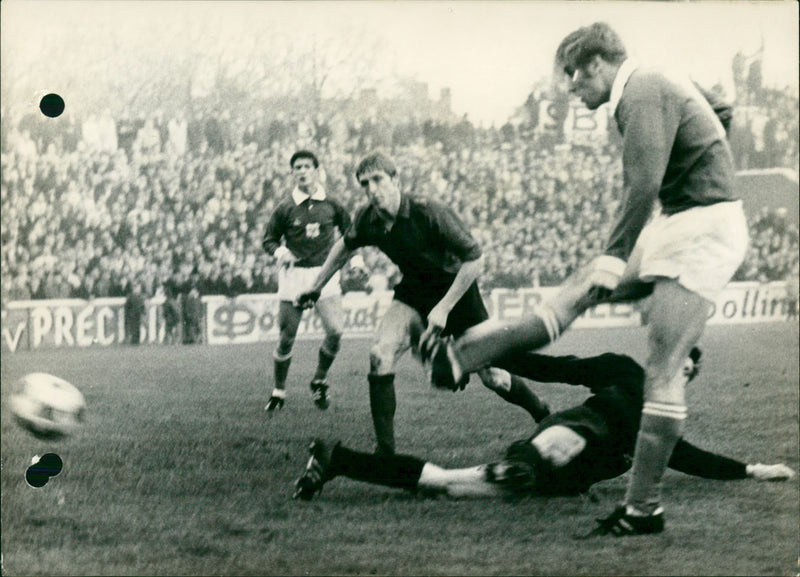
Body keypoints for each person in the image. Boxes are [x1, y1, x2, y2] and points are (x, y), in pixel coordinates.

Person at [425, 23, 750, 535]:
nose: (572, 87)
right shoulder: (655, 82)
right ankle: (466, 354)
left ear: (597, 63)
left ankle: (644, 509)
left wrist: (615, 255)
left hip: (705, 227)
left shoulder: (640, 91)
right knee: (576, 291)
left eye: (574, 75)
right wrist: (704, 149)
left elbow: (641, 184)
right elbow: (721, 113)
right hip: (679, 219)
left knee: (662, 366)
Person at [292, 349, 795, 535]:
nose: (679, 373)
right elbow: (559, 368)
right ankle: (527, 463)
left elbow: (700, 463)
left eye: (688, 373)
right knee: (574, 434)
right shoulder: (624, 372)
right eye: (678, 361)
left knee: (442, 485)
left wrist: (753, 470)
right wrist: (490, 352)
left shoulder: (665, 428)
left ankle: (335, 459)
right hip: (556, 442)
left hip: (555, 483)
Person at [296, 151, 550, 455]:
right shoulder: (368, 218)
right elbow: (344, 246)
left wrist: (444, 307)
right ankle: (385, 454)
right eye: (365, 184)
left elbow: (475, 260)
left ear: (396, 180)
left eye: (378, 180)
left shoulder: (427, 211)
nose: (372, 189)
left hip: (458, 293)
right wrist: (316, 286)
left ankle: (542, 414)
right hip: (414, 292)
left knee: (493, 377)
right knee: (380, 353)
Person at [262, 150, 352, 412]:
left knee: (335, 331)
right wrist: (281, 252)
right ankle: (279, 391)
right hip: (294, 276)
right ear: (293, 173)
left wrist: (356, 261)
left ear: (316, 170)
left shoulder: (332, 204)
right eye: (297, 167)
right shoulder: (285, 207)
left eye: (306, 166)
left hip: (324, 275)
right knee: (286, 338)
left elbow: (351, 234)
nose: (301, 171)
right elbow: (268, 240)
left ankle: (320, 379)